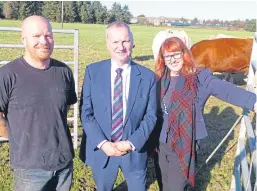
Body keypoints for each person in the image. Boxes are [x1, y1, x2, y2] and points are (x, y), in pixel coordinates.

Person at [151, 37, 256, 191]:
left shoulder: (199, 77)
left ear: (185, 54)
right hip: (161, 142)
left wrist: (254, 102)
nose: (173, 59)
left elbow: (226, 90)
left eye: (176, 54)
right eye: (168, 55)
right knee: (163, 182)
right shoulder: (160, 79)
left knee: (175, 187)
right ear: (163, 59)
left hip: (184, 143)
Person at [0, 15, 77, 191]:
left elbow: (62, 109)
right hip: (29, 169)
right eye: (36, 36)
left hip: (64, 163)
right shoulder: (7, 75)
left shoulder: (64, 72)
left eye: (48, 35)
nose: (44, 41)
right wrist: (18, 139)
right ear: (23, 39)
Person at [80, 21, 157, 191]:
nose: (120, 47)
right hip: (103, 152)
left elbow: (151, 116)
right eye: (115, 42)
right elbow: (86, 113)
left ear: (132, 43)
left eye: (125, 41)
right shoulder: (93, 72)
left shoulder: (148, 77)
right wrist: (103, 143)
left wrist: (131, 143)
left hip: (135, 152)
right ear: (108, 44)